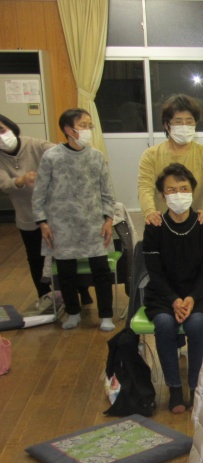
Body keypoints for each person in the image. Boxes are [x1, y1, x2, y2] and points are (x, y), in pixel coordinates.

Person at [31, 108, 116, 331]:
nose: (88, 130)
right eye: (83, 125)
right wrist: (42, 222)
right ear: (69, 130)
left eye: (90, 125)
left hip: (93, 223)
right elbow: (39, 192)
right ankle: (73, 312)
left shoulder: (96, 156)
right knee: (66, 272)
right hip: (61, 225)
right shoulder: (51, 157)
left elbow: (107, 192)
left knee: (101, 271)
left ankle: (106, 315)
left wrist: (108, 219)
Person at [0, 114, 94, 311]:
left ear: (10, 127)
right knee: (36, 257)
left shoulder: (34, 144)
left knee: (69, 255)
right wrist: (20, 180)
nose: (2, 137)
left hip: (57, 213)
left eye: (2, 130)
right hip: (28, 215)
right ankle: (45, 296)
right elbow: (4, 184)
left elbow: (59, 152)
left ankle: (81, 291)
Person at [142, 163, 203, 413]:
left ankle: (196, 387)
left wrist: (191, 298)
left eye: (183, 188)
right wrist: (174, 300)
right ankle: (174, 389)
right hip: (163, 295)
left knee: (196, 324)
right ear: (163, 196)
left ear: (192, 191)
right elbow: (155, 273)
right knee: (163, 323)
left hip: (199, 293)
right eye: (171, 190)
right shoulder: (154, 226)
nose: (178, 194)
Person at [138, 94, 203, 226]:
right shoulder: (151, 155)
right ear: (166, 125)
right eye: (178, 122)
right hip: (162, 221)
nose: (184, 126)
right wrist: (149, 212)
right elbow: (145, 187)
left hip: (198, 221)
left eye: (189, 121)